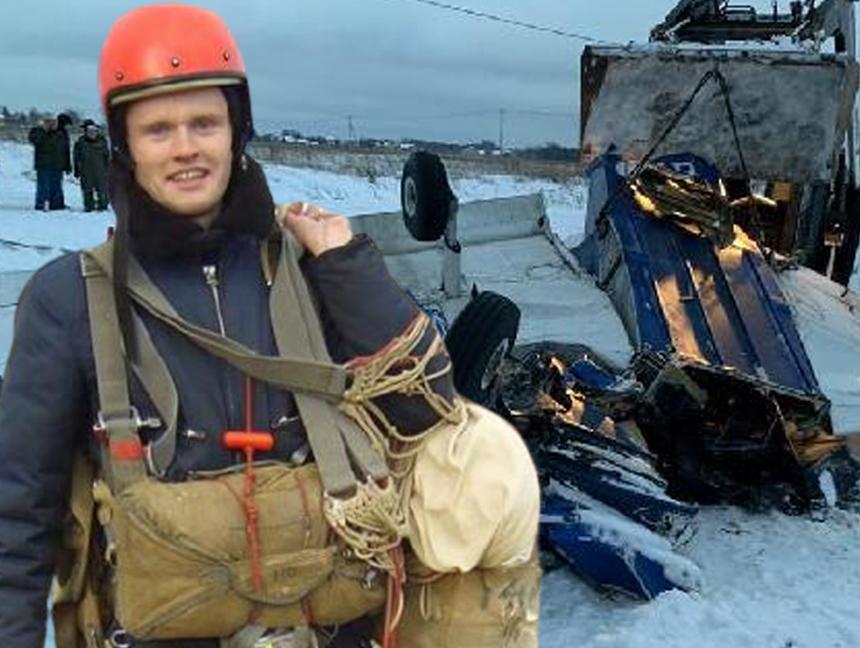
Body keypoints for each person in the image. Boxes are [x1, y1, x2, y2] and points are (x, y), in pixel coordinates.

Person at [0, 5, 540, 648]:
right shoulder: (68, 297)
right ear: (126, 146)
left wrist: (348, 268)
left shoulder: (314, 269)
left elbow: (427, 410)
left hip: (336, 624)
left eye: (205, 122)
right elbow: (20, 511)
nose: (185, 148)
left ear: (237, 131)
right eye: (157, 129)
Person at [27, 114, 72, 210]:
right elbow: (34, 140)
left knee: (57, 187)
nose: (51, 124)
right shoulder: (38, 131)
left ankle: (56, 205)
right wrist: (44, 130)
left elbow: (65, 150)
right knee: (43, 186)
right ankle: (41, 204)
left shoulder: (61, 133)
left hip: (58, 165)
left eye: (53, 122)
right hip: (43, 165)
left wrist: (67, 165)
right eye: (48, 122)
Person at [73, 119, 111, 211]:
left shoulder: (102, 142)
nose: (92, 133)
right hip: (86, 170)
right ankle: (89, 206)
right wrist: (77, 169)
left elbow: (107, 156)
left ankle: (103, 205)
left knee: (102, 189)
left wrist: (109, 168)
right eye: (89, 132)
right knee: (87, 189)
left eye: (94, 131)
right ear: (86, 132)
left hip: (100, 170)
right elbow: (76, 157)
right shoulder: (80, 142)